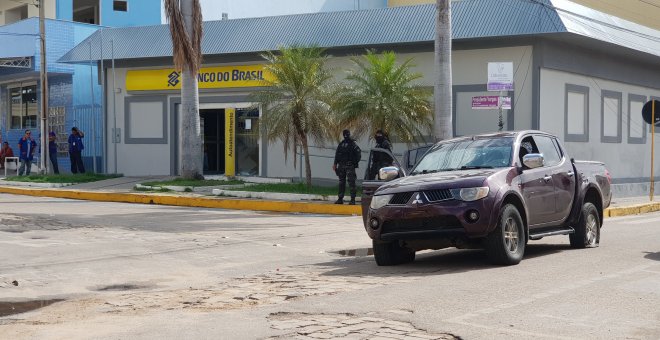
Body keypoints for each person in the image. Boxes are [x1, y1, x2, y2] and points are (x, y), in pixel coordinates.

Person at [333, 129, 361, 205]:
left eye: (347, 134)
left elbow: (358, 154)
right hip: (341, 165)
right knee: (341, 182)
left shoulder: (353, 144)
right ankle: (340, 199)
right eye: (344, 134)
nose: (346, 135)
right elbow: (337, 154)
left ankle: (352, 199)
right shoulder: (341, 144)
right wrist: (335, 164)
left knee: (351, 182)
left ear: (349, 134)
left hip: (349, 166)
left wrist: (354, 163)